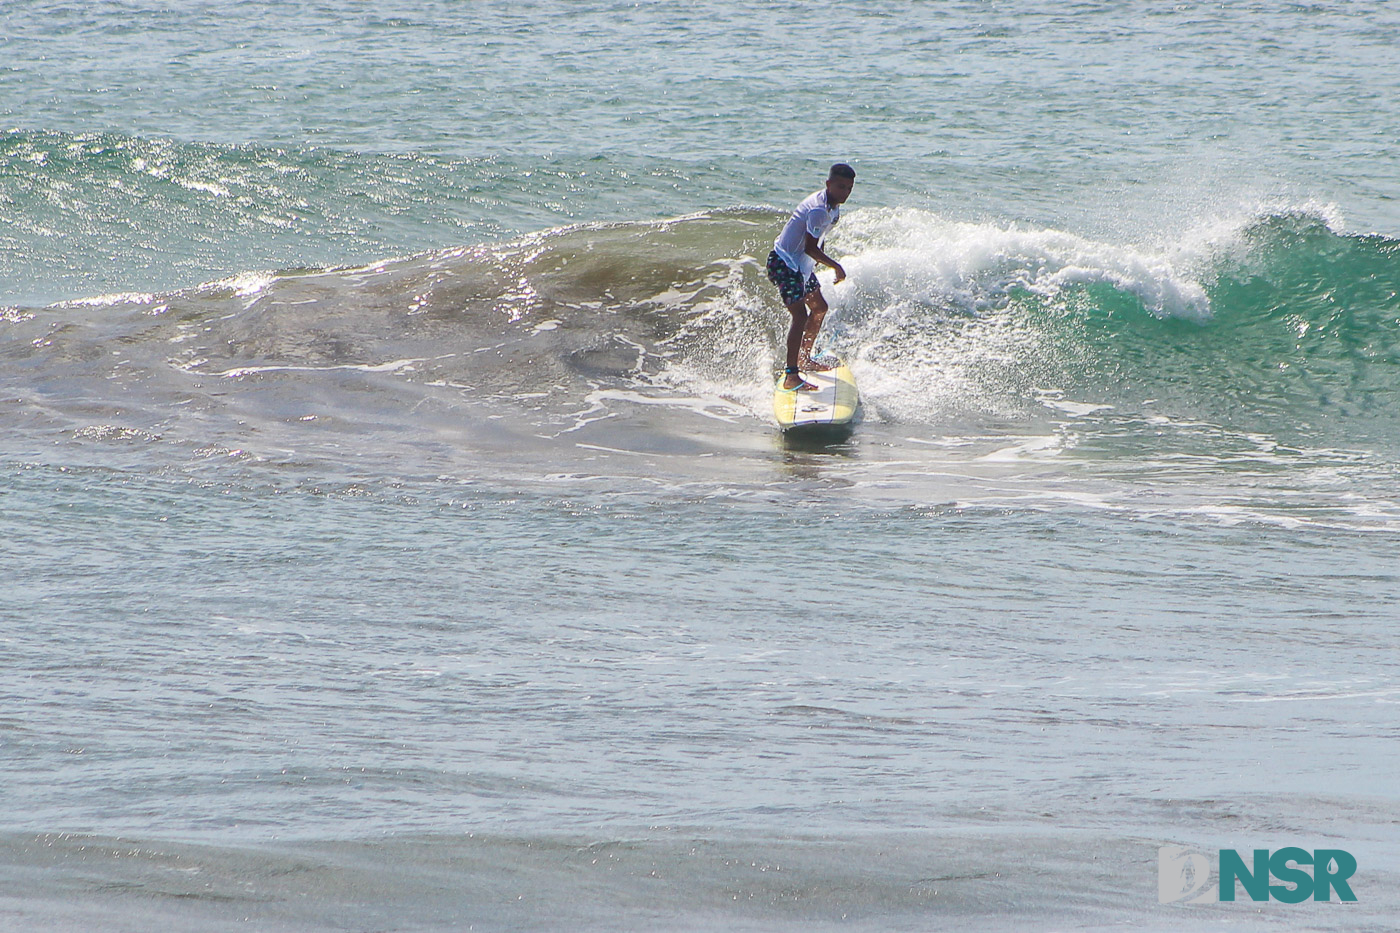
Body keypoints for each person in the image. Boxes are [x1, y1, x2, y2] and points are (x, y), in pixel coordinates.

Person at [767, 163, 855, 391]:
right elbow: (809, 247)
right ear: (828, 184)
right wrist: (836, 267)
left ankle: (804, 359)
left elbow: (818, 239)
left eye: (849, 188)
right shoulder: (818, 209)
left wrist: (817, 262)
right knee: (800, 315)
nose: (845, 192)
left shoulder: (833, 207)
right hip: (785, 263)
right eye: (840, 187)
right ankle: (791, 375)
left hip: (801, 266)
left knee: (819, 308)